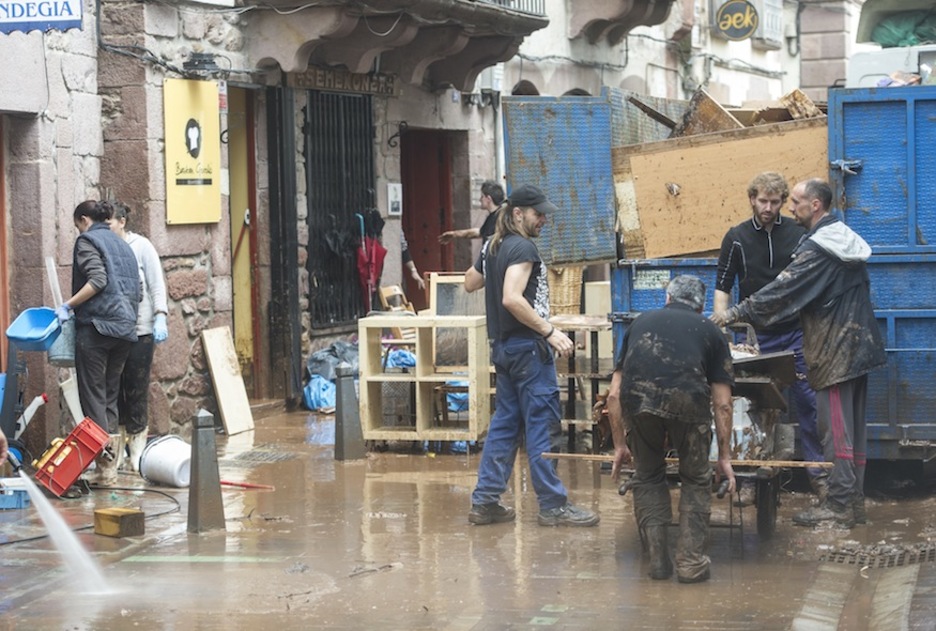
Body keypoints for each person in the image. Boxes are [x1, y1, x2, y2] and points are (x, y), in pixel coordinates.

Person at [712, 179, 887, 528]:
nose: (789, 208)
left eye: (793, 201)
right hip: (858, 346)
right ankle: (853, 502)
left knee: (833, 428)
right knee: (851, 427)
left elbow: (783, 290)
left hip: (836, 351)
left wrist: (733, 314)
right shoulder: (840, 238)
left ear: (815, 205)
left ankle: (839, 503)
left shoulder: (818, 248)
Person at [465, 183, 599, 527]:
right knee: (542, 424)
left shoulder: (493, 246)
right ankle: (553, 505)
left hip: (503, 348)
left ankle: (485, 502)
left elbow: (469, 282)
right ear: (517, 214)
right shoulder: (523, 248)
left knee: (505, 425)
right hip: (527, 348)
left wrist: (490, 263)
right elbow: (511, 298)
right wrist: (550, 331)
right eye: (538, 214)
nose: (543, 220)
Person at [607, 275, 735, 584]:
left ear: (667, 298)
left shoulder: (639, 323)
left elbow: (613, 395)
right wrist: (725, 458)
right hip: (688, 404)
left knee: (648, 477)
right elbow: (723, 404)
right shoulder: (711, 331)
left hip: (638, 402)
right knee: (696, 480)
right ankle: (690, 563)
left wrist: (619, 445)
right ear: (701, 307)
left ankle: (658, 562)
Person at [714, 172, 826, 501]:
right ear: (752, 199)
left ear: (782, 203)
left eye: (775, 202)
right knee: (753, 408)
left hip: (796, 333)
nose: (768, 208)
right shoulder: (736, 237)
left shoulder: (798, 233)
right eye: (762, 201)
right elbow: (722, 286)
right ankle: (748, 479)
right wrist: (722, 334)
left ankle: (819, 477)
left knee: (809, 404)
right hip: (754, 338)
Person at [57, 200, 141, 485]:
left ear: (84, 220)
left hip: (97, 328)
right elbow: (138, 291)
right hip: (125, 330)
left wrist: (68, 305)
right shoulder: (124, 246)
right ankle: (109, 470)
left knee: (93, 397)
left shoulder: (87, 241)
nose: (78, 231)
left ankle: (104, 465)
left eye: (77, 226)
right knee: (109, 396)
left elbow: (98, 280)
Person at [108, 202, 169, 472]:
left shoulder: (141, 246)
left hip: (141, 331)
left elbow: (156, 284)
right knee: (115, 390)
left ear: (122, 221)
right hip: (113, 332)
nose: (106, 228)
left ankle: (138, 452)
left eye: (109, 223)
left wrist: (160, 315)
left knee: (136, 388)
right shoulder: (105, 247)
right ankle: (118, 451)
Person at [439, 180, 505, 244]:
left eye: (482, 196)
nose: (480, 199)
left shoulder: (500, 218)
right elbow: (479, 232)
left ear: (488, 199)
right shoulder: (492, 216)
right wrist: (454, 234)